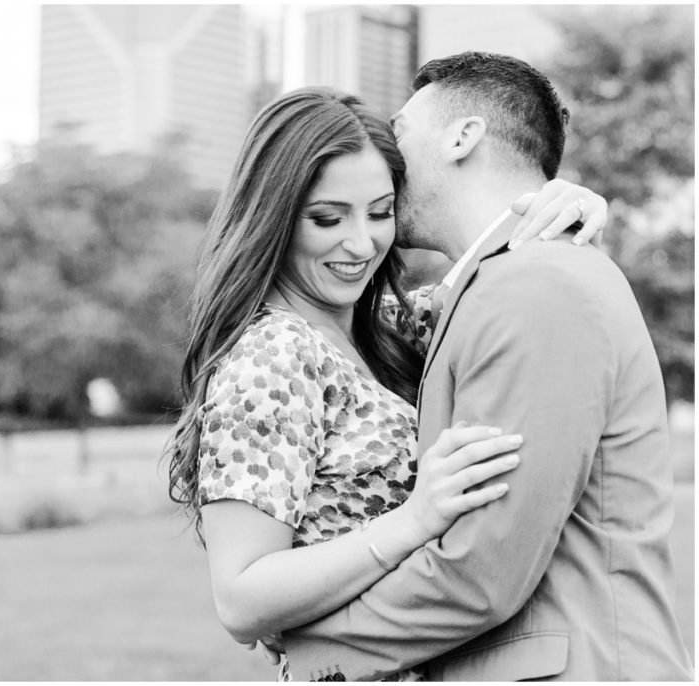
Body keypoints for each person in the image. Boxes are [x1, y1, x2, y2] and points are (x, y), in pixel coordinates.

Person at [164, 83, 611, 681]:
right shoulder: (272, 355)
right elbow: (242, 597)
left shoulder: (392, 326)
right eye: (327, 218)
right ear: (271, 216)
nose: (361, 243)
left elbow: (512, 293)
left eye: (380, 212)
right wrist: (413, 520)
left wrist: (572, 203)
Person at [280, 52, 693, 681]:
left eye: (399, 131)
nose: (385, 159)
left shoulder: (534, 284)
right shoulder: (490, 287)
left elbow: (481, 570)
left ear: (463, 136)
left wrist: (308, 645)